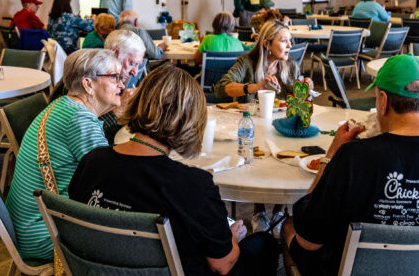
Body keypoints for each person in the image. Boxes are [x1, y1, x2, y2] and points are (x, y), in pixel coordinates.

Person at [282, 55, 419, 275]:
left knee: (289, 227)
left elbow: (308, 240)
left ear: (383, 101)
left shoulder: (353, 158)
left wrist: (330, 157)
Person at [68, 65, 280, 276]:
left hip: (98, 269)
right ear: (189, 120)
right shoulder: (194, 186)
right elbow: (223, 265)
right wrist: (232, 238)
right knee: (264, 244)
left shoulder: (92, 161)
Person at [5, 49, 123, 262]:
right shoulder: (78, 120)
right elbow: (112, 180)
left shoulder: (63, 107)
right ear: (88, 84)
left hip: (28, 225)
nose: (122, 84)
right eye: (115, 77)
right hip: (47, 234)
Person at [214, 20, 312, 102]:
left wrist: (305, 89)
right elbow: (220, 89)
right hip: (250, 118)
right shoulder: (246, 63)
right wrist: (256, 87)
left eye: (289, 40)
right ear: (267, 44)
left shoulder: (292, 66)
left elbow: (299, 103)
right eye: (283, 41)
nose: (289, 45)